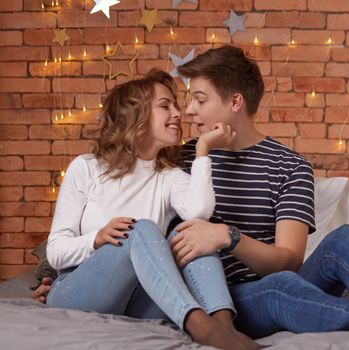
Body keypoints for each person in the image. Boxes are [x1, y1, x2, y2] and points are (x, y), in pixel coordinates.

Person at [35, 46, 349, 340]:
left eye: (198, 99)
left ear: (234, 104)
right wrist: (53, 274)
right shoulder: (181, 156)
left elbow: (290, 258)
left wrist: (226, 237)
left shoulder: (289, 166)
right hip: (215, 292)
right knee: (280, 289)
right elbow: (115, 208)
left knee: (344, 242)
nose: (187, 111)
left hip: (265, 276)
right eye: (181, 101)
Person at [43, 69, 258, 350]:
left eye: (176, 105)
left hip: (138, 301)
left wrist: (203, 149)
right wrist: (97, 238)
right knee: (141, 228)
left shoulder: (167, 176)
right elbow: (56, 252)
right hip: (78, 292)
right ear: (136, 114)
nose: (178, 113)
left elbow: (199, 212)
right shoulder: (86, 168)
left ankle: (224, 326)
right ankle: (198, 324)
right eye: (165, 106)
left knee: (194, 234)